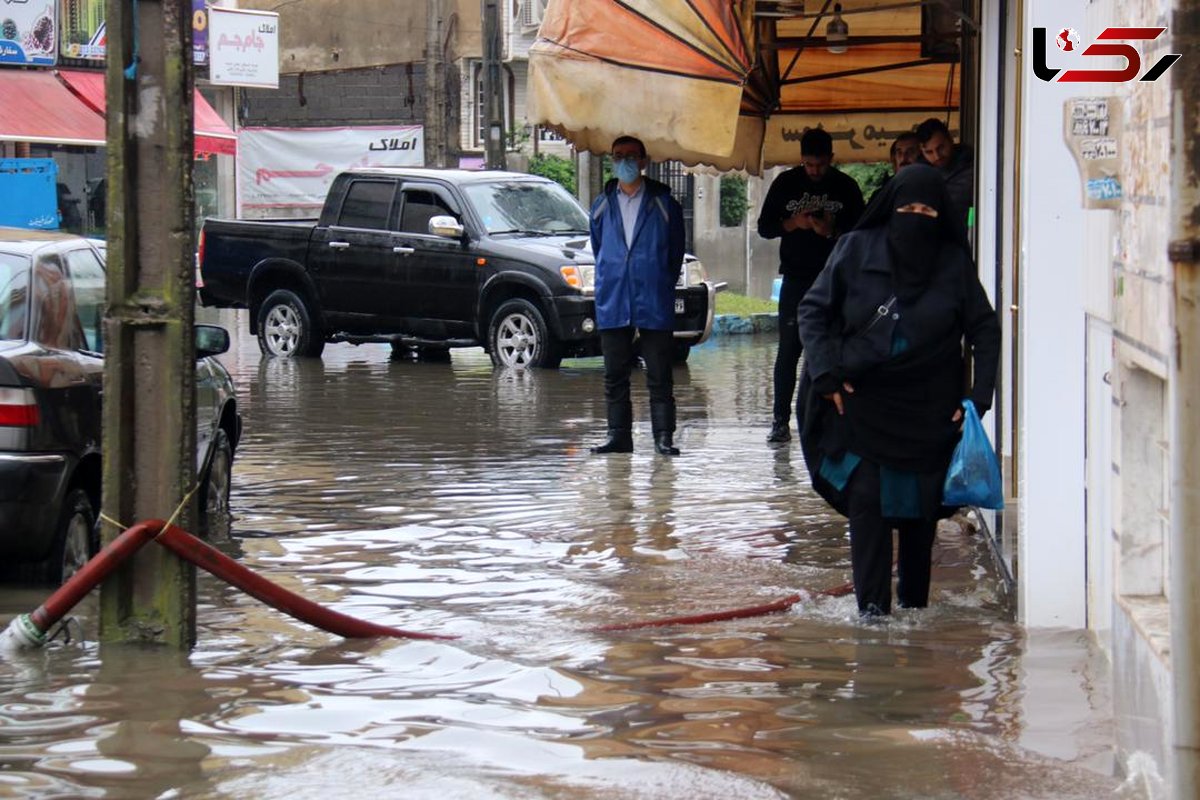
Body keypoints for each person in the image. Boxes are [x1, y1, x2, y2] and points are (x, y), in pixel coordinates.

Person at [795, 165, 1000, 618]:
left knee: (920, 515)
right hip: (863, 405)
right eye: (907, 208)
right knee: (868, 504)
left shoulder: (952, 263)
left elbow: (985, 329)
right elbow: (812, 311)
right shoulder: (854, 249)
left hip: (929, 412)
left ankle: (914, 616)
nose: (916, 218)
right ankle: (872, 622)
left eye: (927, 210)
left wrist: (978, 400)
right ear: (890, 208)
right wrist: (826, 375)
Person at [757, 128, 864, 444]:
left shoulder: (846, 187)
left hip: (836, 281)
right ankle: (780, 421)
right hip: (796, 279)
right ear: (801, 160)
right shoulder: (785, 184)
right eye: (809, 165)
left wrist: (831, 231)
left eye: (820, 164)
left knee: (838, 351)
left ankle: (838, 419)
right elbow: (764, 227)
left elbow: (861, 233)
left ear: (831, 159)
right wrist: (793, 224)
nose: (815, 171)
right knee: (789, 350)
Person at [588, 135, 686, 456]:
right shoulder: (601, 205)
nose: (625, 161)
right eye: (619, 156)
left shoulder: (665, 204)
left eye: (631, 156)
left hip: (653, 297)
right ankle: (619, 436)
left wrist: (658, 281)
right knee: (614, 374)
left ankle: (663, 437)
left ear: (644, 161)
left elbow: (675, 253)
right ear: (612, 161)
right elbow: (599, 248)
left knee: (659, 373)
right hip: (614, 298)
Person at [915, 117, 974, 230]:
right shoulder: (917, 177)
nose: (937, 156)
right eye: (929, 152)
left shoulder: (974, 168)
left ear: (950, 139)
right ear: (921, 151)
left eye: (941, 147)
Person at [867, 132, 921, 206]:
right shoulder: (881, 195)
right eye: (899, 153)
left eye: (910, 152)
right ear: (894, 158)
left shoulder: (933, 190)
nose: (903, 158)